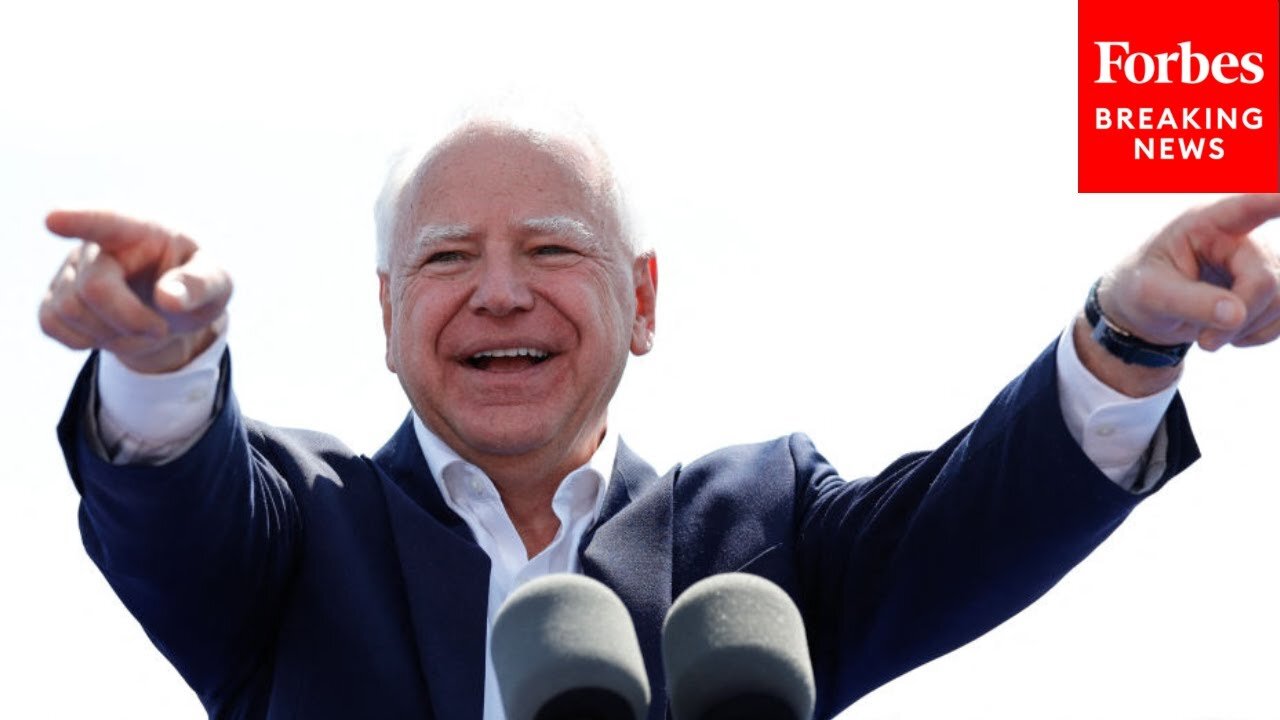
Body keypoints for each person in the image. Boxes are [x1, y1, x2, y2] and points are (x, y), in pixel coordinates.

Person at [40, 116, 1280, 720]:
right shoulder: (294, 536)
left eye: (549, 246)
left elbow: (980, 519)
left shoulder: (763, 528)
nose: (501, 289)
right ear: (383, 312)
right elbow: (168, 496)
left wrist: (1129, 336)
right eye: (447, 258)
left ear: (639, 299)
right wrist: (162, 359)